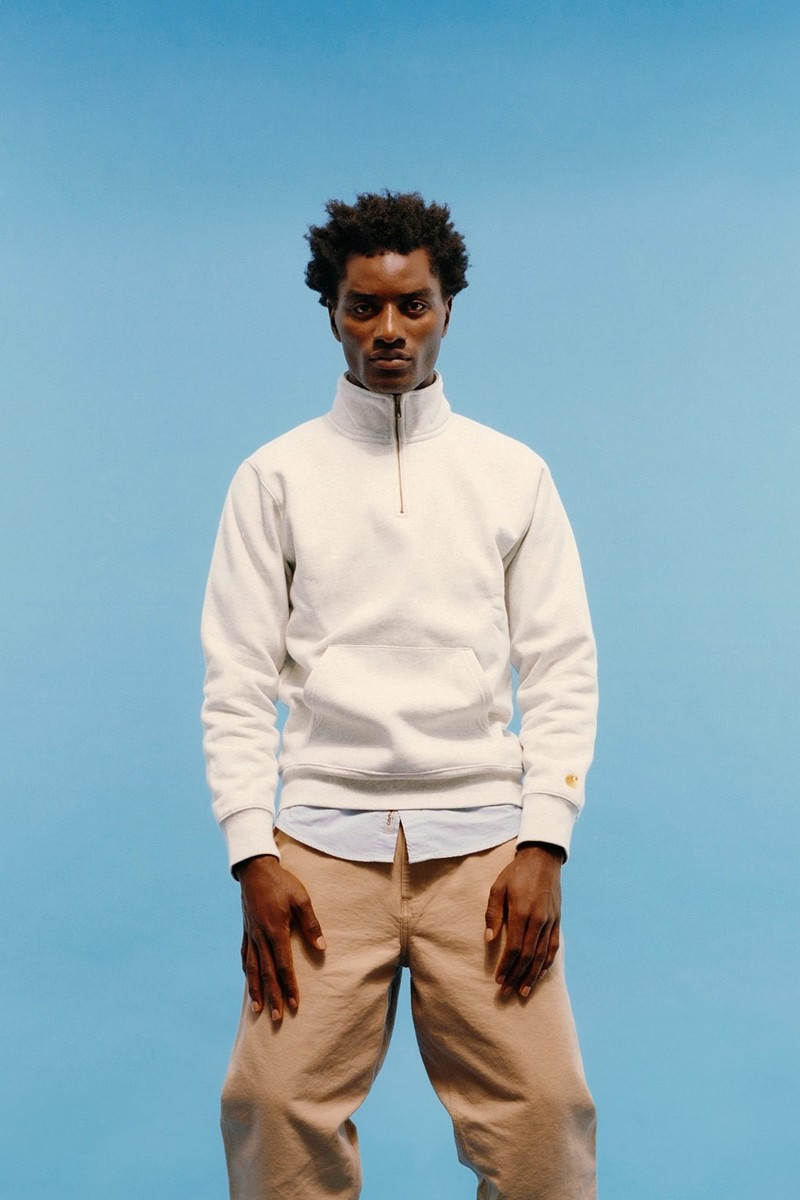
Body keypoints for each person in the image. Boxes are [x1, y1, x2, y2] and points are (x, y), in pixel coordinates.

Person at [201, 191, 598, 1200]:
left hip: (484, 852)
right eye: (363, 307)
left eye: (411, 305)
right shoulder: (274, 477)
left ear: (446, 308)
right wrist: (252, 853)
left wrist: (543, 843)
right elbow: (236, 680)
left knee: (545, 1118)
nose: (388, 330)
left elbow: (560, 666)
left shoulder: (511, 474)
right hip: (319, 853)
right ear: (331, 312)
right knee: (271, 1108)